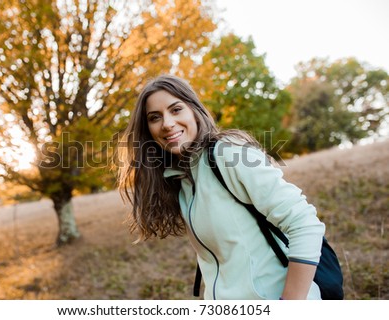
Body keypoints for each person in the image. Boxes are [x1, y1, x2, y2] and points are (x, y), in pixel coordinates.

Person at [117, 74, 325, 300]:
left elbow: (305, 224)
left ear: (194, 110)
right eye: (155, 117)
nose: (167, 124)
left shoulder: (228, 153)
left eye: (176, 109)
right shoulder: (181, 179)